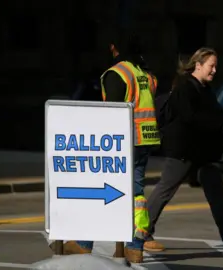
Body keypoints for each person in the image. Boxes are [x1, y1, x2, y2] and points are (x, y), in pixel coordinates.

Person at [56, 33, 160, 263]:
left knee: (101, 190)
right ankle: (134, 245)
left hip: (123, 142)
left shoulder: (117, 73)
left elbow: (111, 112)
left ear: (114, 48)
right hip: (145, 139)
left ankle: (86, 243)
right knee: (135, 193)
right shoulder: (145, 74)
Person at [144, 47, 223, 255]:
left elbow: (204, 114)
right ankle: (140, 233)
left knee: (217, 197)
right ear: (198, 65)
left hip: (203, 153)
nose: (214, 70)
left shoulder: (204, 88)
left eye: (216, 66)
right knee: (165, 190)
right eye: (211, 66)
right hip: (185, 151)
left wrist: (219, 118)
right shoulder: (185, 87)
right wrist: (221, 120)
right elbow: (191, 118)